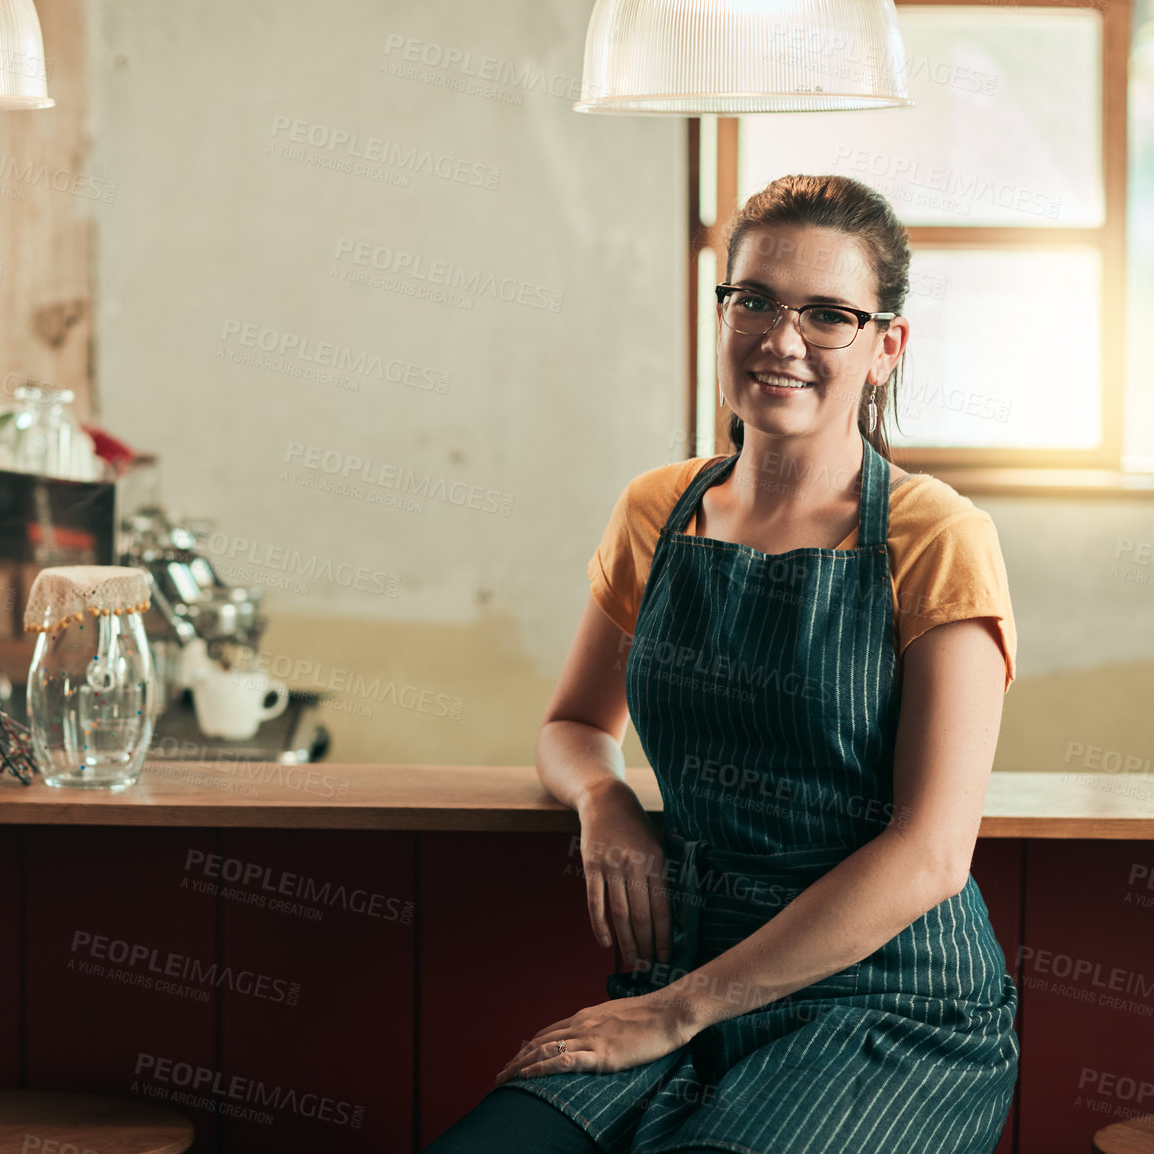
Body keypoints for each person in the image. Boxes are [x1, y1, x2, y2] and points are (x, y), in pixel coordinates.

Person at [424, 173, 1019, 1154]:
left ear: (885, 348)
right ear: (722, 309)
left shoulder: (936, 536)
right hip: (684, 980)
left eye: (829, 315)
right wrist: (604, 804)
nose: (781, 340)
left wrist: (675, 1010)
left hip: (889, 1005)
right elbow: (574, 725)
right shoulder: (657, 510)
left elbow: (927, 852)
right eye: (754, 299)